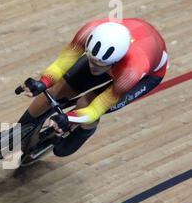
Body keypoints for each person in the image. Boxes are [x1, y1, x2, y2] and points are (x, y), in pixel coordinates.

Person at [16, 18, 167, 156]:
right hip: (122, 53)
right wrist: (43, 82)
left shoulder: (132, 71)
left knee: (86, 103)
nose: (92, 67)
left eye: (98, 64)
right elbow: (62, 63)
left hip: (147, 75)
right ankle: (19, 132)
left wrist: (68, 118)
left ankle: (85, 131)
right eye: (90, 59)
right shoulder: (88, 32)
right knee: (56, 90)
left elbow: (96, 109)